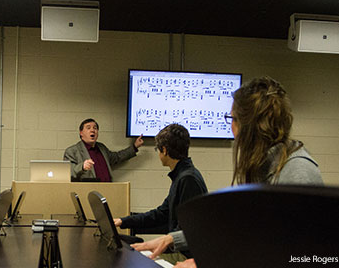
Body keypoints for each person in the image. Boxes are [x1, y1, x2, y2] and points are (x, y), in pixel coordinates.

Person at [131, 76, 324, 268]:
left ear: (248, 125)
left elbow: (299, 258)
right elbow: (240, 230)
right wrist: (172, 239)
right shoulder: (263, 168)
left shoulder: (298, 173)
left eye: (232, 119)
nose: (231, 128)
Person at [113, 123, 207, 259]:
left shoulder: (188, 179)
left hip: (188, 258)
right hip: (181, 252)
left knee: (133, 260)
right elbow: (161, 214)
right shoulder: (182, 175)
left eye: (158, 149)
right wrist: (123, 221)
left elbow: (190, 230)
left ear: (164, 150)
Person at [64, 118, 144, 182]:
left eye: (95, 128)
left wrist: (134, 146)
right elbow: (67, 172)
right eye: (88, 128)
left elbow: (117, 157)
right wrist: (82, 167)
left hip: (107, 191)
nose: (92, 130)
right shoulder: (72, 151)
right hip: (86, 193)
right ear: (81, 133)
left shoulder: (101, 148)